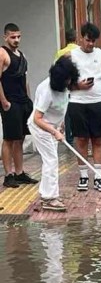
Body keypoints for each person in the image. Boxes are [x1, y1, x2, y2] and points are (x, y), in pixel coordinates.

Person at [67, 22, 101, 193]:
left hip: (98, 103)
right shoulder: (70, 56)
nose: (90, 44)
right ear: (81, 38)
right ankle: (83, 176)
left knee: (98, 139)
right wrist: (77, 85)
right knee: (81, 139)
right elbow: (62, 81)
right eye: (88, 40)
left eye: (93, 41)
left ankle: (99, 177)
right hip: (77, 103)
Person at [28, 56, 81, 212]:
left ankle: (48, 195)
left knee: (51, 160)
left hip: (53, 127)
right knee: (51, 160)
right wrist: (54, 131)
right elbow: (37, 119)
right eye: (66, 80)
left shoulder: (64, 85)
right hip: (41, 128)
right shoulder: (46, 90)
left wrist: (61, 124)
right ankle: (49, 198)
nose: (68, 83)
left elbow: (61, 106)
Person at [0, 23, 39, 189]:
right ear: (6, 37)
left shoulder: (22, 56)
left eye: (18, 37)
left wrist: (29, 100)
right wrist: (4, 102)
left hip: (23, 102)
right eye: (13, 37)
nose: (16, 40)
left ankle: (19, 172)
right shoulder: (2, 53)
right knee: (9, 138)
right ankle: (8, 175)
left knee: (21, 137)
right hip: (10, 102)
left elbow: (25, 79)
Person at [54, 29, 78, 146]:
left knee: (68, 115)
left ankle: (70, 139)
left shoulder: (60, 53)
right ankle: (80, 136)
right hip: (79, 87)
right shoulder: (79, 51)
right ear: (76, 38)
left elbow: (56, 70)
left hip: (66, 88)